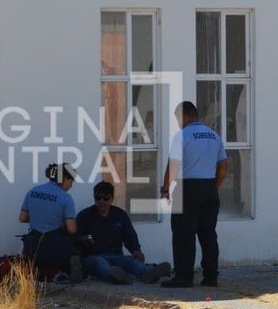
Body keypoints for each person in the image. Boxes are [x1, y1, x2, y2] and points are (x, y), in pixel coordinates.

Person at [161, 102, 228, 288]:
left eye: (177, 119)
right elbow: (223, 168)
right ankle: (211, 276)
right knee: (208, 234)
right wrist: (214, 187)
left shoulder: (181, 136)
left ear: (183, 116)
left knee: (183, 234)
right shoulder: (214, 136)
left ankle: (183, 277)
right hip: (209, 187)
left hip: (187, 187)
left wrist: (165, 189)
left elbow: (173, 166)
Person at [75, 181, 168, 284]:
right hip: (94, 256)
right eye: (98, 198)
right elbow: (75, 238)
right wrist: (83, 240)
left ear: (112, 198)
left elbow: (130, 236)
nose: (101, 201)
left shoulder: (120, 215)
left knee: (131, 261)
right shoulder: (85, 216)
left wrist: (136, 250)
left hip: (116, 255)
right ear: (94, 198)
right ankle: (115, 276)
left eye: (106, 198)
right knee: (100, 264)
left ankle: (148, 273)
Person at [20, 162, 80, 281]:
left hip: (33, 246)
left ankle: (36, 269)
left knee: (36, 256)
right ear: (64, 178)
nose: (71, 186)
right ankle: (68, 270)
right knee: (75, 247)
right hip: (56, 247)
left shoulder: (32, 191)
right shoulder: (65, 197)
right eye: (71, 181)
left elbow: (23, 218)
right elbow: (72, 229)